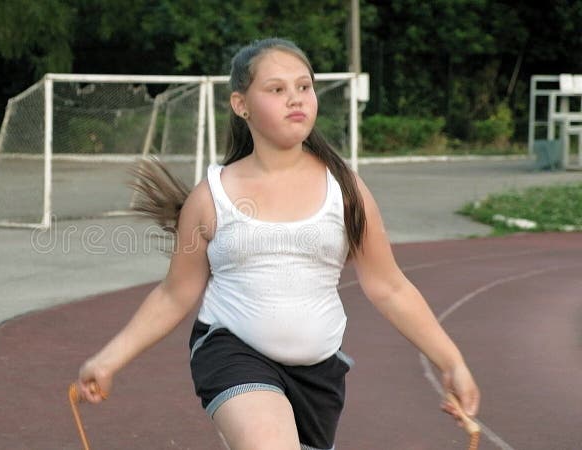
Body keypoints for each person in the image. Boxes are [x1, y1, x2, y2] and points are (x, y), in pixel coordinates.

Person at [75, 37, 480, 449]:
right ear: (241, 104)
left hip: (319, 376)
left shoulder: (345, 189)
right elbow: (175, 294)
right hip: (231, 351)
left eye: (304, 87)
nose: (295, 99)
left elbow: (389, 286)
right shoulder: (211, 197)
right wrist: (108, 359)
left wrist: (451, 361)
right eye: (276, 89)